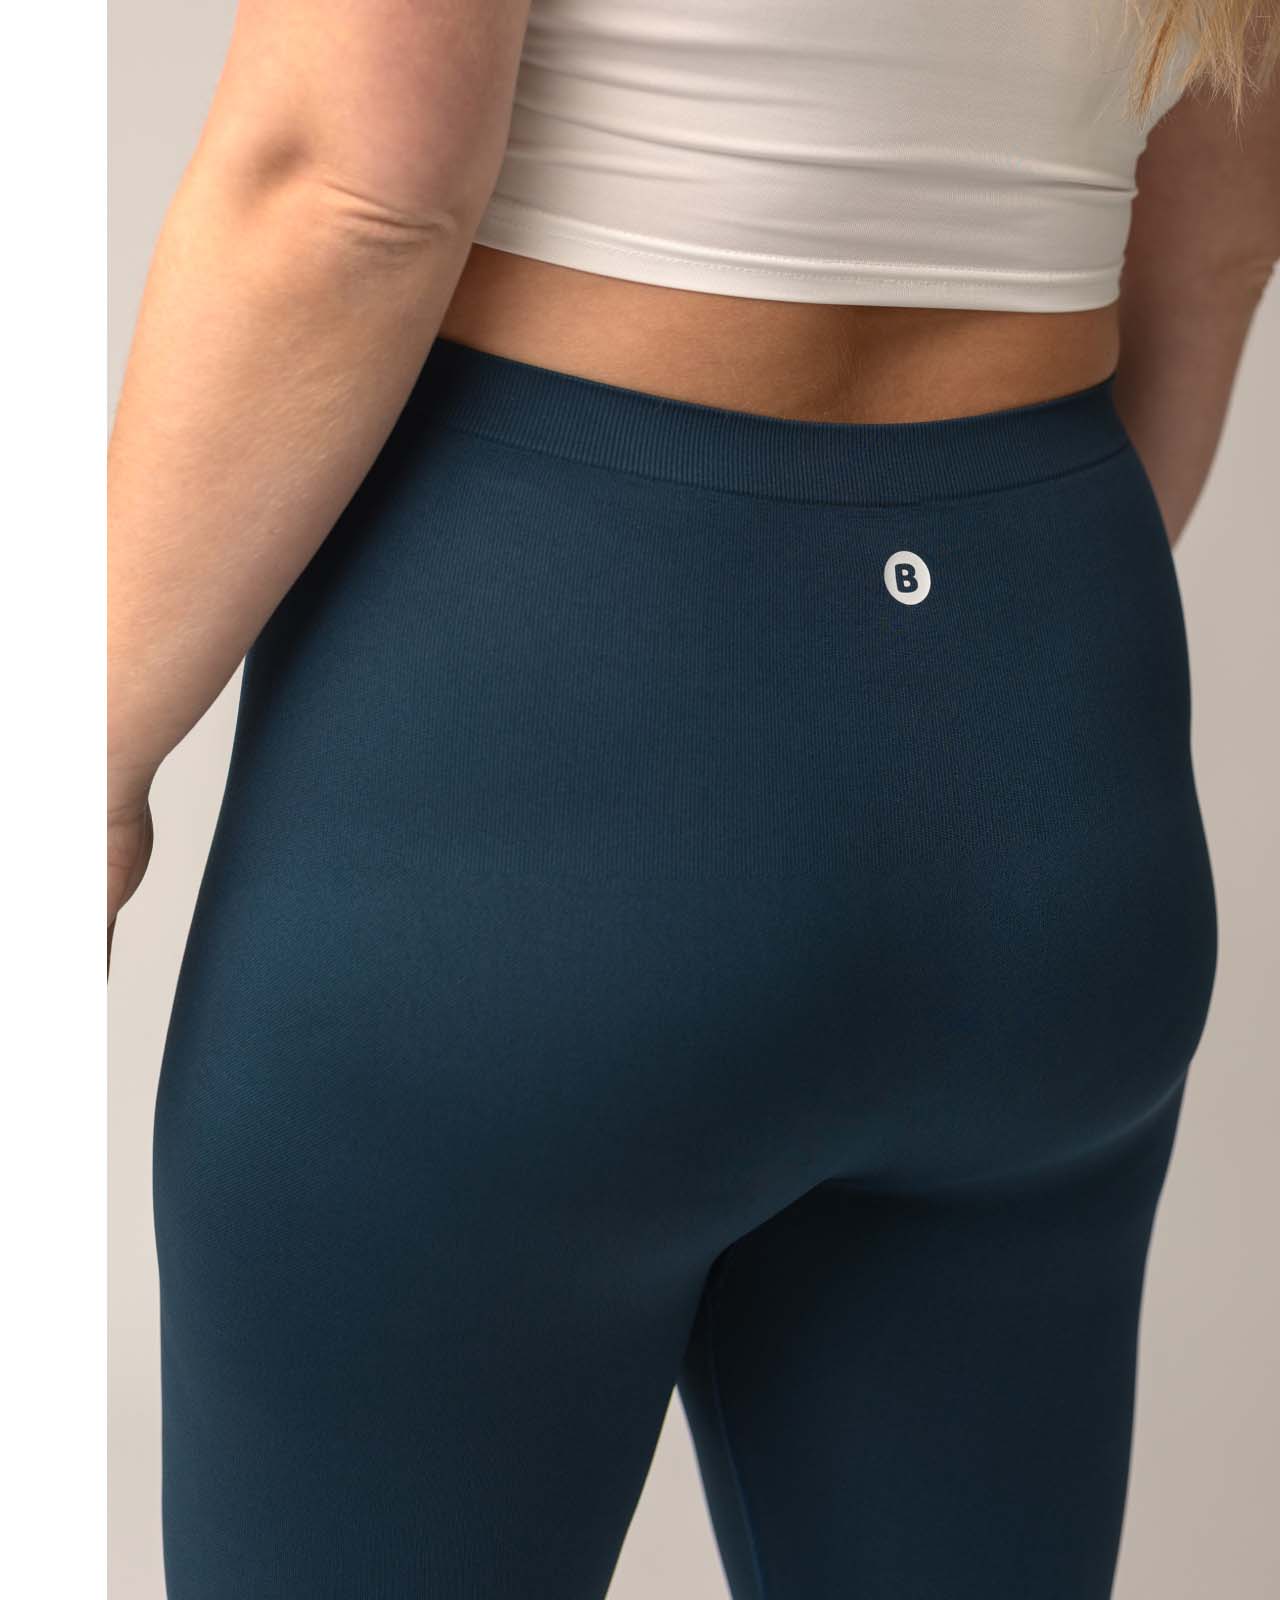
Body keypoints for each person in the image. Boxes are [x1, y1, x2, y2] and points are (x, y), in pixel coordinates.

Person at [107, 2, 1279, 1595]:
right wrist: (978, 698)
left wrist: (80, 762)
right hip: (1047, 740)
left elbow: (352, 190)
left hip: (533, 746)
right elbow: (1220, 226)